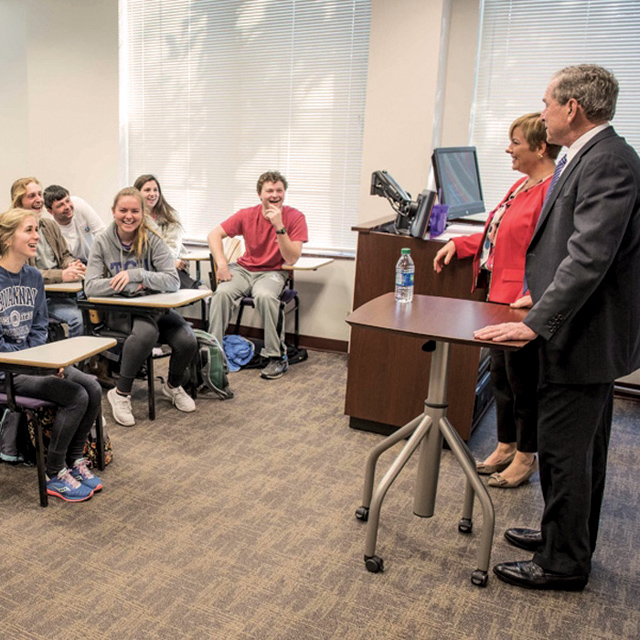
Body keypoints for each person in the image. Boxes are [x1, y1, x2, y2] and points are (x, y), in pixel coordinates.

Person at [475, 65, 640, 591]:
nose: (542, 110)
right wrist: (538, 294)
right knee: (581, 452)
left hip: (583, 336)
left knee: (568, 454)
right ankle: (563, 539)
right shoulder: (590, 157)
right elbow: (569, 245)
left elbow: (590, 255)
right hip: (579, 329)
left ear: (572, 108)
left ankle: (562, 563)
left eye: (547, 102)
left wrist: (536, 322)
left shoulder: (608, 162)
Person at [434, 113, 561, 488]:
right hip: (497, 296)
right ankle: (506, 445)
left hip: (522, 303)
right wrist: (459, 244)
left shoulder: (552, 191)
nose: (509, 148)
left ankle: (526, 456)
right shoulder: (522, 185)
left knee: (524, 384)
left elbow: (552, 251)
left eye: (516, 142)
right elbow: (497, 233)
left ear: (540, 148)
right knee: (503, 379)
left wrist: (538, 294)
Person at [0, 207, 103, 502]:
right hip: (7, 370)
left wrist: (44, 362)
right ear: (8, 238)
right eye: (29, 231)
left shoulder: (33, 276)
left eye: (37, 230)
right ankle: (54, 473)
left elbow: (39, 326)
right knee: (75, 395)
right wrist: (36, 365)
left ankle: (74, 461)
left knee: (93, 387)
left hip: (34, 363)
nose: (37, 237)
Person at [85, 187, 197, 426]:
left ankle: (173, 386)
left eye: (135, 211)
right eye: (123, 210)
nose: (129, 216)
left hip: (155, 309)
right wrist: (123, 285)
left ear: (142, 213)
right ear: (113, 211)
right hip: (121, 312)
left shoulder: (152, 239)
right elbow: (91, 286)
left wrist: (137, 275)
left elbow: (172, 280)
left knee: (187, 340)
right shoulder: (102, 242)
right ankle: (121, 393)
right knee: (147, 333)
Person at [207, 171, 308, 380]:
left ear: (284, 193)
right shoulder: (246, 215)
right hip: (244, 270)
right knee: (221, 294)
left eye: (279, 190)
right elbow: (214, 234)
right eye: (269, 190)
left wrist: (279, 226)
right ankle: (213, 354)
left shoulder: (295, 217)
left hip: (273, 272)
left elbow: (291, 259)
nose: (274, 195)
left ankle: (277, 357)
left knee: (265, 297)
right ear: (259, 194)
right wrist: (222, 264)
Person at [10, 177, 85, 337]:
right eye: (31, 196)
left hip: (61, 291)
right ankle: (69, 361)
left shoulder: (49, 225)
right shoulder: (15, 233)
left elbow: (65, 255)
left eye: (39, 194)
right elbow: (26, 273)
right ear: (18, 203)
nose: (39, 200)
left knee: (96, 307)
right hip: (37, 298)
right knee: (77, 319)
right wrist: (61, 275)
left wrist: (73, 265)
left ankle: (98, 359)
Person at [133, 174, 195, 288]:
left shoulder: (171, 216)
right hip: (144, 267)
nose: (152, 194)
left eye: (155, 190)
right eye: (147, 190)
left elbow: (172, 248)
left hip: (169, 267)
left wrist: (167, 263)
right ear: (137, 194)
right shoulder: (132, 218)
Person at [43, 185, 106, 263]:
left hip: (94, 258)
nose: (67, 207)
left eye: (67, 201)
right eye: (60, 205)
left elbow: (101, 231)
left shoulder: (78, 204)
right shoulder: (52, 229)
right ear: (50, 211)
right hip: (73, 265)